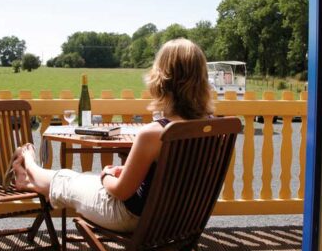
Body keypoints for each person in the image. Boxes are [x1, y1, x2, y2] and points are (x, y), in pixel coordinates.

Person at [12, 38, 214, 232]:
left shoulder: (154, 134)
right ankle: (31, 181)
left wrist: (106, 175)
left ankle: (28, 164)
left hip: (132, 218)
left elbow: (120, 191)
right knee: (79, 179)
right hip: (178, 221)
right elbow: (176, 173)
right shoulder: (214, 127)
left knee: (66, 179)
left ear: (161, 80)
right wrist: (124, 171)